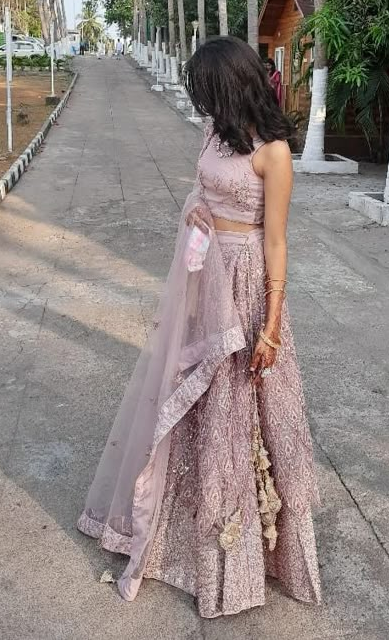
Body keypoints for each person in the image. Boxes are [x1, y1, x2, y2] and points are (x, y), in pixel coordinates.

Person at [78, 36, 320, 618]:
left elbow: (278, 243)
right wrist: (193, 236)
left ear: (231, 84)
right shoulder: (215, 133)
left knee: (243, 416)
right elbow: (201, 191)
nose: (200, 101)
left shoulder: (275, 153)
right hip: (203, 279)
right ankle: (175, 538)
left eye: (206, 88)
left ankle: (243, 564)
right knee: (196, 410)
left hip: (247, 287)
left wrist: (271, 328)